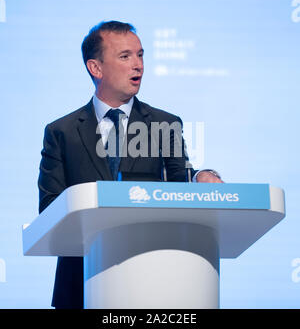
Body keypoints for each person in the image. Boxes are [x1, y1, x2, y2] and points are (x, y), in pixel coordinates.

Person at [38, 20, 223, 309]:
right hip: (79, 288)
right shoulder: (61, 132)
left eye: (140, 55)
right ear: (95, 68)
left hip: (152, 283)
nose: (138, 65)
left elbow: (181, 186)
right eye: (125, 56)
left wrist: (201, 176)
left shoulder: (166, 124)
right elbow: (50, 209)